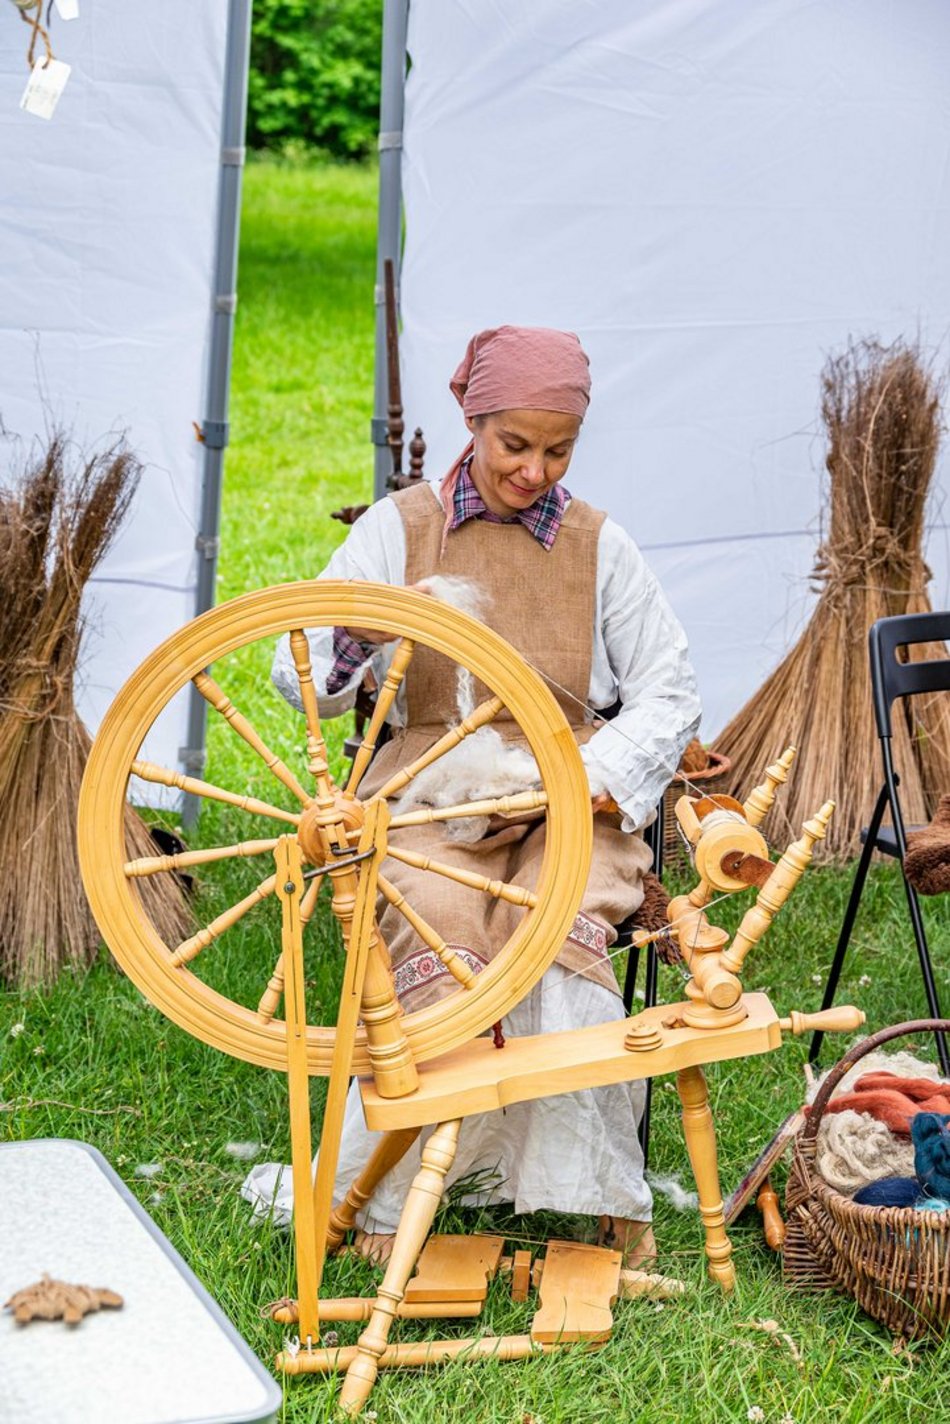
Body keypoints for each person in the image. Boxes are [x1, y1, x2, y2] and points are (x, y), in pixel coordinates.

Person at [244, 325, 701, 1267]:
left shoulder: (597, 544)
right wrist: (354, 641)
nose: (535, 470)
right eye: (514, 446)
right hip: (424, 793)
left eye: (557, 450)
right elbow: (298, 676)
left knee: (560, 914)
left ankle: (579, 1186)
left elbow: (671, 687)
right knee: (440, 913)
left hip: (567, 793)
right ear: (473, 421)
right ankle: (396, 1190)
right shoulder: (397, 529)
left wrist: (590, 779)